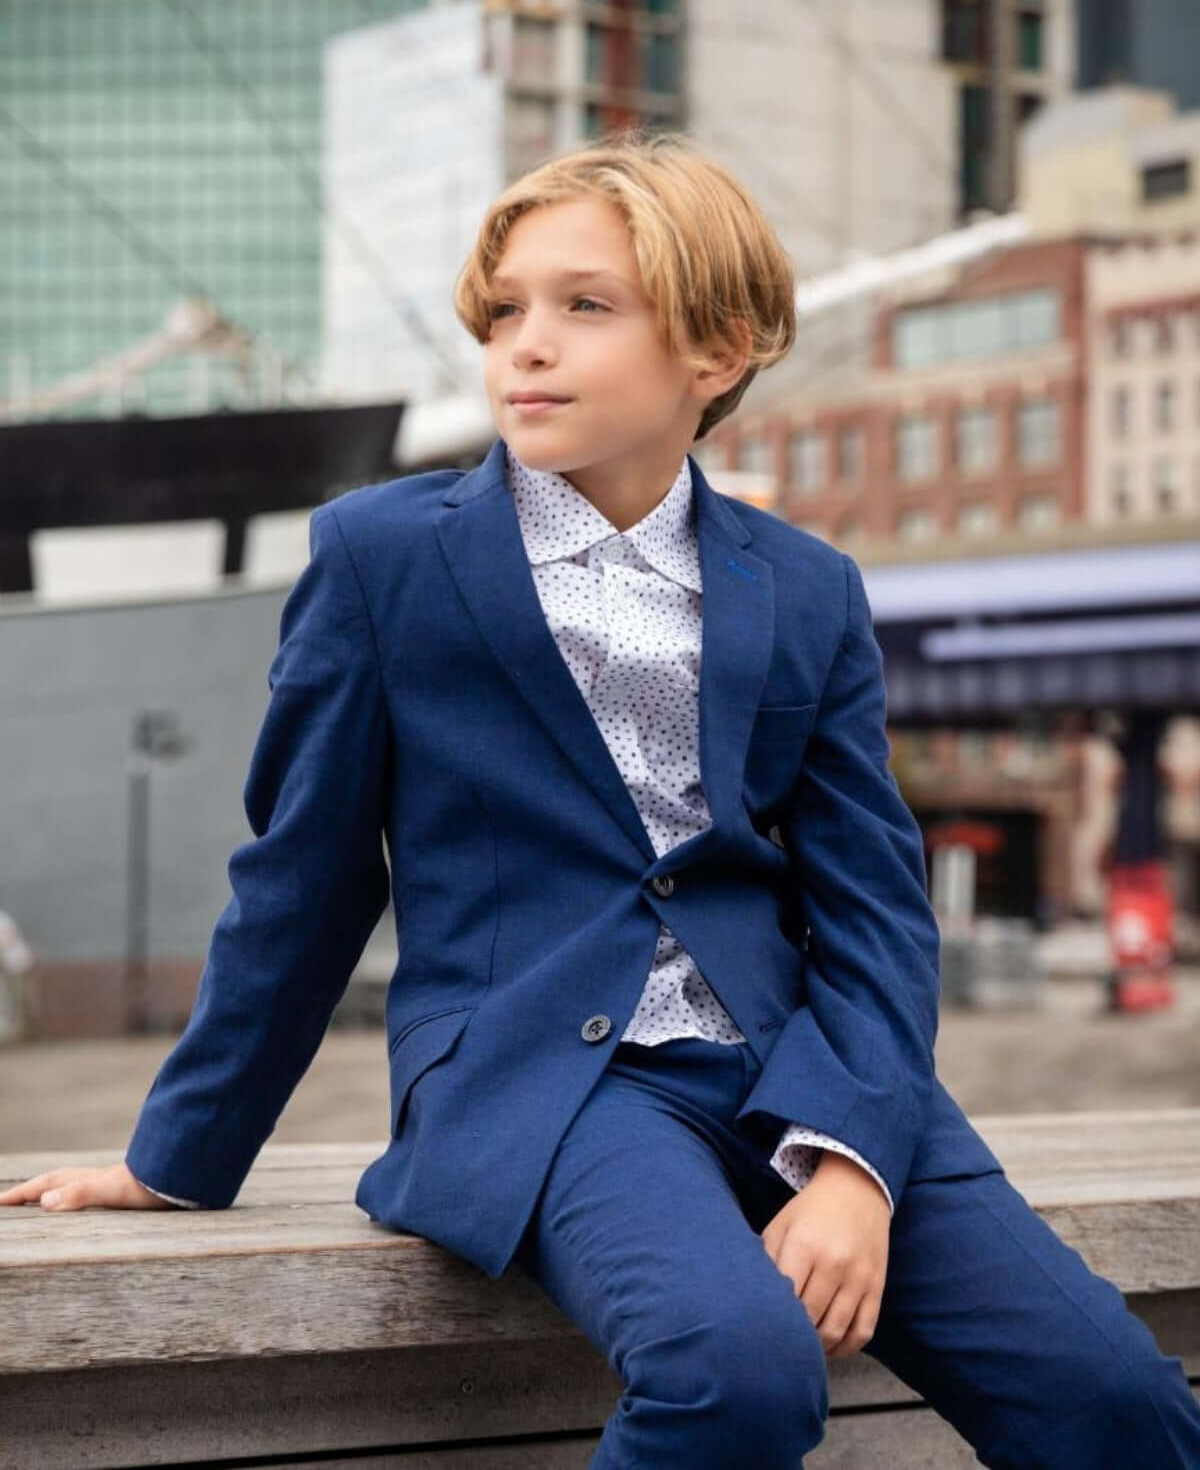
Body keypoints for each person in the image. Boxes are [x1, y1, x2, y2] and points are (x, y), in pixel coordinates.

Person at [3, 130, 1197, 1469]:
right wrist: (179, 1153)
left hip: (803, 1063)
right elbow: (306, 875)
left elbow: (875, 905)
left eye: (585, 307)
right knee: (737, 1373)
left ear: (719, 351)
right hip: (552, 1085)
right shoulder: (386, 558)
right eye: (506, 309)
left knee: (1119, 1402)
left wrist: (856, 1161)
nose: (525, 344)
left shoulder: (805, 586)